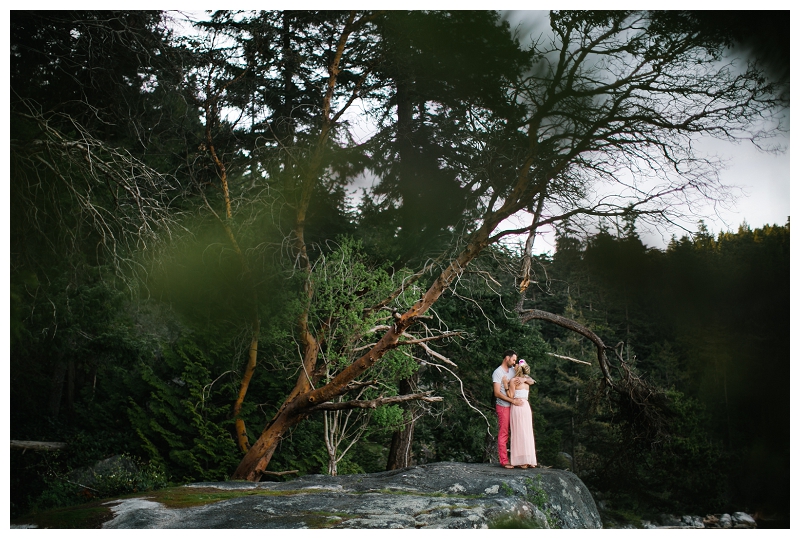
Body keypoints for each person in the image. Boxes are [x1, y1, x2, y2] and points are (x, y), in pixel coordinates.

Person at [505, 359, 538, 468]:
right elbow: (533, 381)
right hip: (526, 406)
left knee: (518, 433)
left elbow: (510, 395)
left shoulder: (514, 380)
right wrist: (525, 379)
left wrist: (505, 385)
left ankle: (521, 461)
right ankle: (529, 459)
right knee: (527, 432)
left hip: (517, 406)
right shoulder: (527, 380)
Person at [492, 350, 521, 469]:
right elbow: (497, 393)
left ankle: (518, 459)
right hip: (503, 407)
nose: (514, 362)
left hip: (514, 407)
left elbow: (529, 379)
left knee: (516, 433)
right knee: (504, 433)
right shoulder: (497, 373)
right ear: (507, 358)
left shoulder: (513, 371)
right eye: (513, 360)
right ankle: (504, 461)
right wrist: (512, 401)